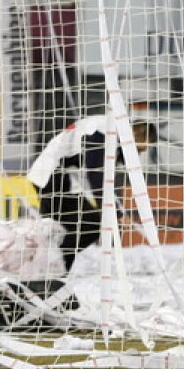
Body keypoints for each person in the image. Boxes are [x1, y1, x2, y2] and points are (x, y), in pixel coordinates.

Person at [27, 116, 157, 275]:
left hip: (59, 178)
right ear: (134, 137)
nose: (138, 155)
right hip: (50, 176)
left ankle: (55, 272)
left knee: (72, 229)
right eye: (139, 150)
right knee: (89, 225)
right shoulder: (102, 134)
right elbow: (96, 176)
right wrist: (116, 213)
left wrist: (117, 211)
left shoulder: (109, 131)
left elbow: (102, 179)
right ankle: (51, 269)